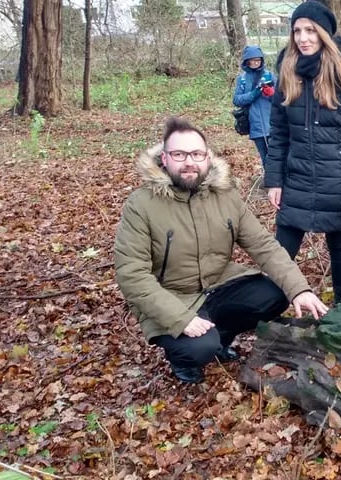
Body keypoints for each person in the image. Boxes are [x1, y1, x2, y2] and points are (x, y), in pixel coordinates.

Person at [114, 117, 329, 384]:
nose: (189, 162)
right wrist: (181, 319)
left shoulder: (225, 196)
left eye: (196, 154)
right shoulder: (141, 205)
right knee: (198, 347)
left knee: (275, 294)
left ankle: (219, 337)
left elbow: (263, 245)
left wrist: (300, 289)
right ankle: (185, 356)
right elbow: (132, 275)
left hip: (218, 283)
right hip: (172, 295)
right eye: (179, 154)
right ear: (165, 159)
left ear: (207, 157)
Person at [264, 0, 341, 305]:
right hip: (296, 179)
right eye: (297, 31)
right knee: (281, 251)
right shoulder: (286, 74)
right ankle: (269, 306)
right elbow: (279, 133)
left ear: (324, 33)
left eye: (310, 30)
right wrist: (274, 180)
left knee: (339, 244)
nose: (303, 38)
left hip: (335, 181)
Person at [233, 45, 275, 173]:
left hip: (273, 124)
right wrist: (253, 94)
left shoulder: (270, 76)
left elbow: (282, 98)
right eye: (253, 60)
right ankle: (269, 180)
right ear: (247, 61)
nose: (256, 62)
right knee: (264, 156)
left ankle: (282, 180)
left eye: (258, 60)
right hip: (255, 125)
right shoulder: (242, 79)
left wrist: (272, 93)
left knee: (276, 155)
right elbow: (237, 100)